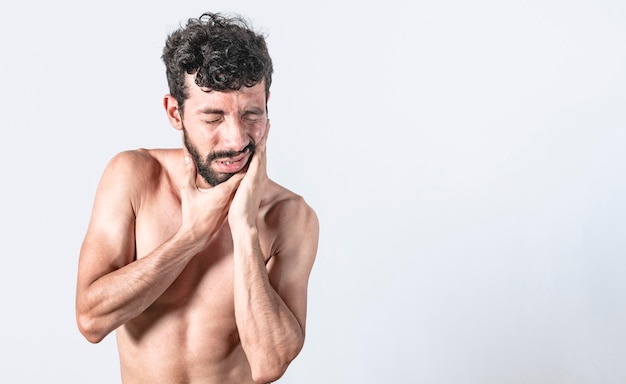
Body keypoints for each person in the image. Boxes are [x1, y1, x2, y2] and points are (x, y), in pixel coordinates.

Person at [75, 12, 319, 384]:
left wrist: (245, 228)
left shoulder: (289, 216)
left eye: (252, 114)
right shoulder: (135, 178)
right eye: (213, 118)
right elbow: (91, 321)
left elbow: (270, 363)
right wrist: (191, 236)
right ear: (175, 112)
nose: (237, 139)